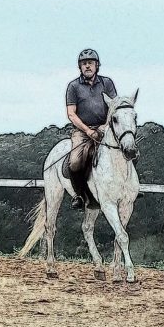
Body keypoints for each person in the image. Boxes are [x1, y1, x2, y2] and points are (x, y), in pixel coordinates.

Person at [65, 49, 117, 209]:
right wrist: (87, 131)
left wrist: (104, 127)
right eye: (84, 64)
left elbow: (114, 108)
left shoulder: (107, 83)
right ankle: (80, 195)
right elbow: (71, 114)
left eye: (90, 63)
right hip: (82, 131)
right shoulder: (73, 86)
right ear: (80, 67)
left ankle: (130, 188)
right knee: (74, 162)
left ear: (97, 65)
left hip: (105, 127)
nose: (87, 66)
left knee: (129, 150)